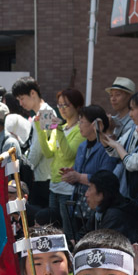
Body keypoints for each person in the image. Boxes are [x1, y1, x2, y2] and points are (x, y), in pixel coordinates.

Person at [35, 88, 84, 240]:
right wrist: (39, 128)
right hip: (54, 184)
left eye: (66, 105)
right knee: (53, 227)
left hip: (68, 186)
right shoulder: (60, 128)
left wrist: (59, 131)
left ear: (77, 106)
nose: (62, 109)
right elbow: (49, 152)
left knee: (68, 229)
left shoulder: (79, 130)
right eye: (60, 105)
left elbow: (69, 153)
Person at [12, 77, 59, 210]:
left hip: (43, 178)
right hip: (43, 176)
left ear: (33, 93)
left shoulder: (45, 113)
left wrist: (26, 166)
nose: (21, 103)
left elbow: (37, 150)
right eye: (18, 100)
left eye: (22, 98)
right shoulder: (43, 112)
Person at [99, 91, 138, 203]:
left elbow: (132, 163)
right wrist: (101, 134)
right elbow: (115, 151)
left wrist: (117, 146)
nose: (130, 114)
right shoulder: (135, 128)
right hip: (132, 193)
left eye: (133, 109)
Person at [81, 169, 138, 242]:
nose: (86, 194)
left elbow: (103, 245)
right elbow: (83, 235)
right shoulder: (101, 210)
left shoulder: (114, 215)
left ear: (101, 195)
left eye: (89, 189)